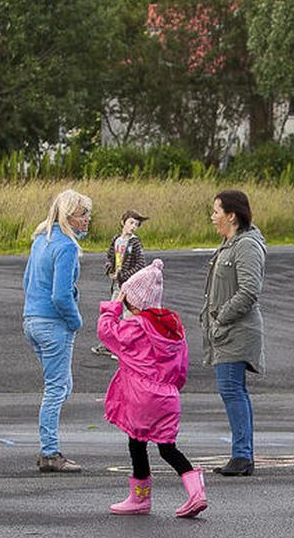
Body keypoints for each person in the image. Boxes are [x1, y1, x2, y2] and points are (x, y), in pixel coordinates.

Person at [97, 260, 206, 518]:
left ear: (133, 303)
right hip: (168, 396)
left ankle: (139, 497)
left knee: (137, 443)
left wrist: (112, 308)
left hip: (141, 396)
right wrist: (171, 388)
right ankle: (196, 491)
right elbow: (181, 368)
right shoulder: (173, 328)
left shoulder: (136, 327)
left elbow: (107, 333)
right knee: (168, 447)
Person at [23, 188, 93, 473]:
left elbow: (28, 280)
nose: (87, 219)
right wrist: (75, 320)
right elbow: (61, 295)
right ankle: (50, 451)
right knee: (56, 388)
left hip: (32, 320)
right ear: (70, 216)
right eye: (83, 214)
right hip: (53, 324)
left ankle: (48, 444)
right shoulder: (65, 246)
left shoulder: (41, 239)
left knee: (62, 385)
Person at [200, 189, 265, 477]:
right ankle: (242, 454)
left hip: (236, 331)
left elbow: (249, 290)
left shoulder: (247, 245)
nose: (212, 217)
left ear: (231, 215)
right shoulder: (229, 244)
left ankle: (242, 455)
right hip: (225, 332)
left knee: (231, 389)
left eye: (216, 211)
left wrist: (221, 317)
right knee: (232, 390)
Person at [91, 209, 147, 358]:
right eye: (131, 223)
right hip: (117, 285)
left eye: (136, 224)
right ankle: (109, 344)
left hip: (130, 286)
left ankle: (125, 348)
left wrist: (123, 275)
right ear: (123, 222)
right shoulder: (116, 240)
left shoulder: (135, 243)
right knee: (112, 313)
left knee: (128, 317)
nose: (133, 226)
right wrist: (110, 269)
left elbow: (140, 264)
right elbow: (109, 257)